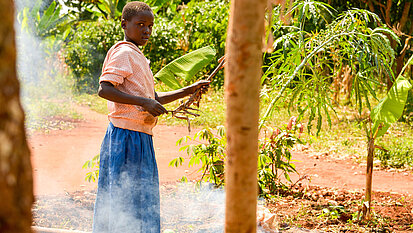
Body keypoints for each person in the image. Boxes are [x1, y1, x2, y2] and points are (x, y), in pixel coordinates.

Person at [92, 2, 209, 232]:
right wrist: (144, 102)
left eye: (150, 26)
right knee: (126, 195)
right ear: (125, 25)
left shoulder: (137, 56)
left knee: (139, 193)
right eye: (140, 25)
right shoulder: (124, 52)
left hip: (140, 136)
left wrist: (189, 89)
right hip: (125, 136)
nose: (146, 30)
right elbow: (104, 89)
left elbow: (153, 97)